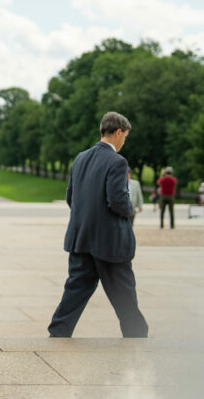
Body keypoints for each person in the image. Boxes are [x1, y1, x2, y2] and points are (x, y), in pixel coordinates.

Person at [49, 111, 148, 338]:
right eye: (125, 137)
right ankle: (137, 335)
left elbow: (70, 198)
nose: (124, 142)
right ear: (118, 132)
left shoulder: (80, 158)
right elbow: (118, 201)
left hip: (80, 238)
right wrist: (130, 210)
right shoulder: (117, 161)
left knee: (76, 289)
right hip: (109, 242)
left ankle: (58, 332)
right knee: (123, 293)